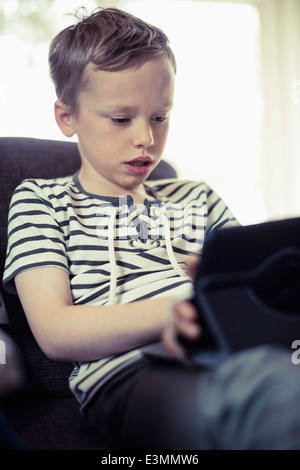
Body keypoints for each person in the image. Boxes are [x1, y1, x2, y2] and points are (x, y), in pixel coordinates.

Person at [3, 8, 300, 450]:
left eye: (160, 116)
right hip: (135, 375)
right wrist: (175, 310)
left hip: (248, 352)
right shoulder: (40, 201)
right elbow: (55, 332)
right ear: (67, 117)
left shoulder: (197, 197)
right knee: (269, 396)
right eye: (121, 119)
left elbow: (258, 292)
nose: (146, 137)